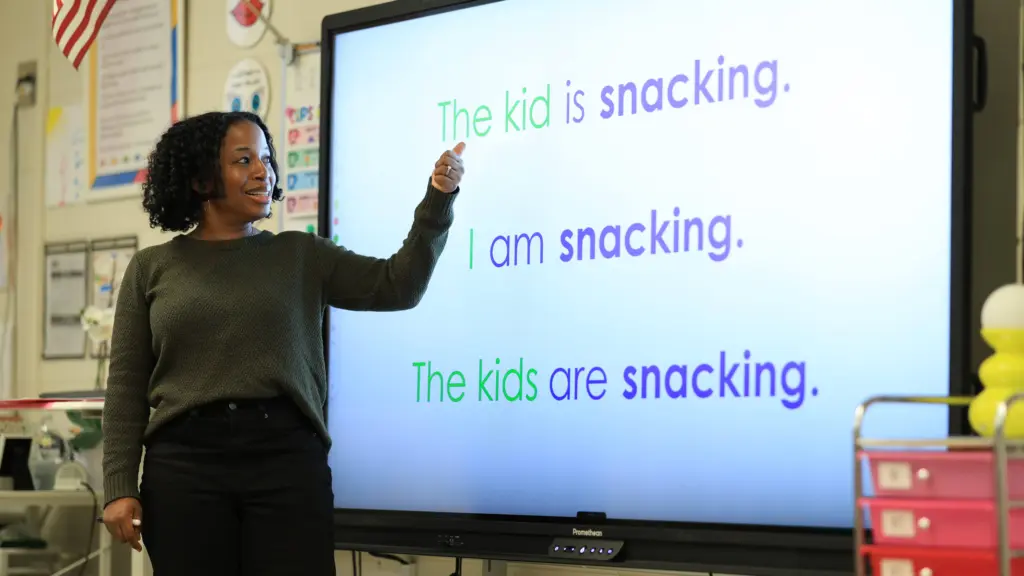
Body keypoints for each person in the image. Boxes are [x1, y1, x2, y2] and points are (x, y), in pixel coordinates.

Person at [100, 110, 466, 575]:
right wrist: (118, 486)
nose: (263, 170)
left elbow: (399, 285)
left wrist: (439, 200)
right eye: (243, 159)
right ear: (198, 179)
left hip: (286, 464)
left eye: (267, 158)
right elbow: (127, 387)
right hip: (184, 470)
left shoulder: (301, 254)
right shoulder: (151, 268)